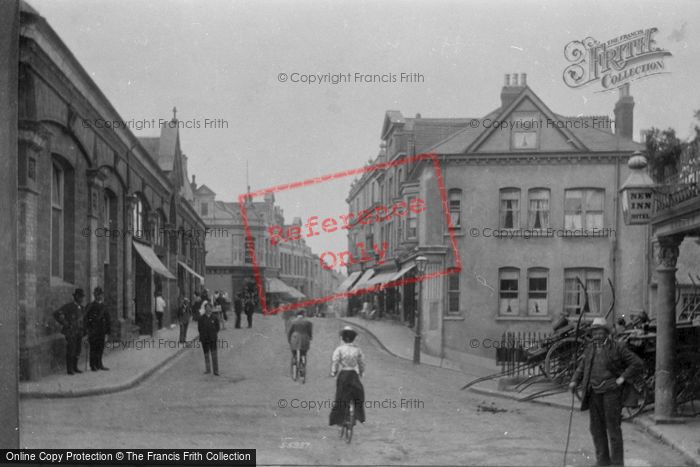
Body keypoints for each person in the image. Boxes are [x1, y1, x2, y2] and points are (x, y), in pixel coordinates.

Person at [569, 317, 643, 467]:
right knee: (596, 429)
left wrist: (622, 378)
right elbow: (582, 367)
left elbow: (637, 363)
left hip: (612, 393)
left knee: (613, 428)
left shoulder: (617, 347)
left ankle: (617, 463)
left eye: (600, 331)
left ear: (606, 332)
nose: (597, 335)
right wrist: (574, 380)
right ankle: (602, 461)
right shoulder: (590, 348)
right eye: (594, 332)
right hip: (594, 393)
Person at [329, 326, 366, 428]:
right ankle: (356, 415)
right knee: (358, 395)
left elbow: (335, 362)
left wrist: (334, 372)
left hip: (344, 375)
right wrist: (361, 372)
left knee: (340, 397)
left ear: (343, 338)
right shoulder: (357, 350)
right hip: (353, 375)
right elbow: (361, 363)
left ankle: (340, 419)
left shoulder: (339, 349)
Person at [53, 288, 86, 375]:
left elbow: (84, 320)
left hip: (79, 332)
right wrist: (65, 323)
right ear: (76, 297)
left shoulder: (82, 308)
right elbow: (57, 313)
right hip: (70, 332)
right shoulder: (69, 306)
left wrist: (85, 330)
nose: (82, 299)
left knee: (78, 349)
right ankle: (69, 369)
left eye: (83, 297)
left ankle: (75, 367)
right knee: (71, 349)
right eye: (81, 297)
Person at [84, 286, 111, 371]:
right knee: (93, 348)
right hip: (93, 331)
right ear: (94, 295)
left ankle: (99, 364)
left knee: (100, 347)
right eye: (97, 294)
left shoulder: (104, 306)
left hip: (102, 331)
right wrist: (87, 330)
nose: (99, 296)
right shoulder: (90, 306)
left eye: (100, 294)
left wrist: (107, 332)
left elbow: (108, 319)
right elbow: (86, 319)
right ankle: (93, 365)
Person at [197, 302, 220, 375]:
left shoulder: (215, 318)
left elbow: (217, 328)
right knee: (206, 355)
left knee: (214, 355)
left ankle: (216, 371)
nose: (208, 310)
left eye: (209, 308)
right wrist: (204, 335)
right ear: (205, 309)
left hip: (212, 339)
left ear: (211, 309)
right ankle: (208, 369)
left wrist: (213, 334)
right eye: (206, 308)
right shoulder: (201, 318)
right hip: (205, 339)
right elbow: (199, 328)